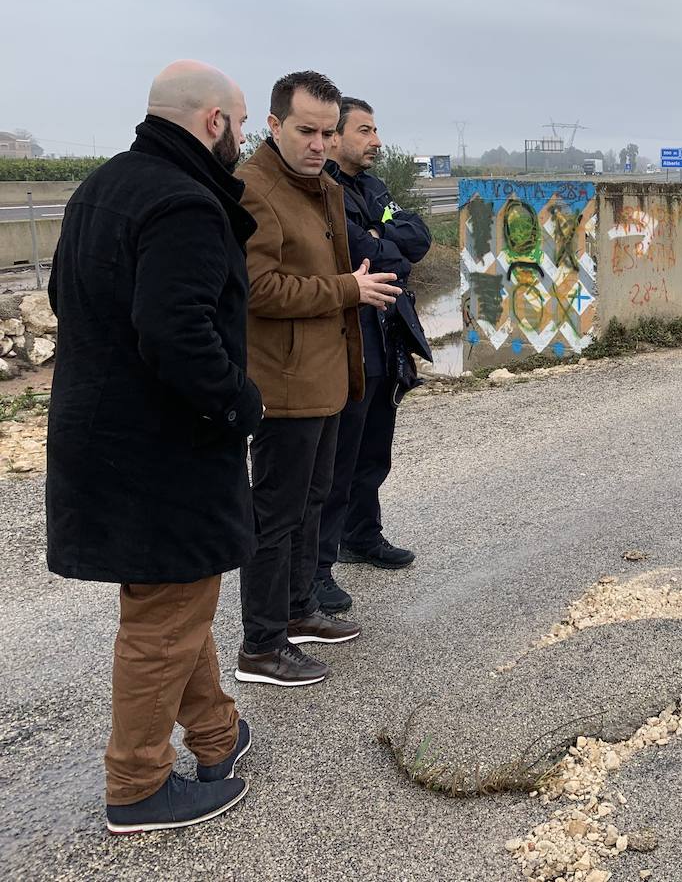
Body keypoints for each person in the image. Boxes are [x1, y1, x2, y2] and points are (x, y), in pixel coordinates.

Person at [47, 60, 260, 833]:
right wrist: (241, 402)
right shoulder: (186, 204)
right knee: (164, 616)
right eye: (241, 122)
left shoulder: (102, 186)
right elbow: (177, 333)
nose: (245, 136)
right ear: (212, 123)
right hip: (161, 456)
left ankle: (215, 734)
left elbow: (64, 298)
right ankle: (136, 785)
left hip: (102, 439)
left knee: (177, 595)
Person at [235, 71, 401, 687]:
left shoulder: (323, 187)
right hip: (282, 382)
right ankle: (261, 645)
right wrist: (348, 288)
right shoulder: (253, 190)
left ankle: (300, 610)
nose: (318, 143)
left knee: (312, 500)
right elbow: (256, 288)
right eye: (306, 130)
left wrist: (350, 279)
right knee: (275, 513)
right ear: (275, 126)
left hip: (330, 375)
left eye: (328, 133)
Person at [314, 97, 433, 613]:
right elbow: (366, 253)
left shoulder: (375, 189)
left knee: (373, 446)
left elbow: (417, 238)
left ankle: (362, 536)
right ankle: (316, 566)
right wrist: (384, 242)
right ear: (334, 136)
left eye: (376, 130)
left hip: (385, 335)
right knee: (335, 458)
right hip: (346, 337)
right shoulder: (324, 191)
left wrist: (382, 236)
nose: (377, 141)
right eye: (365, 130)